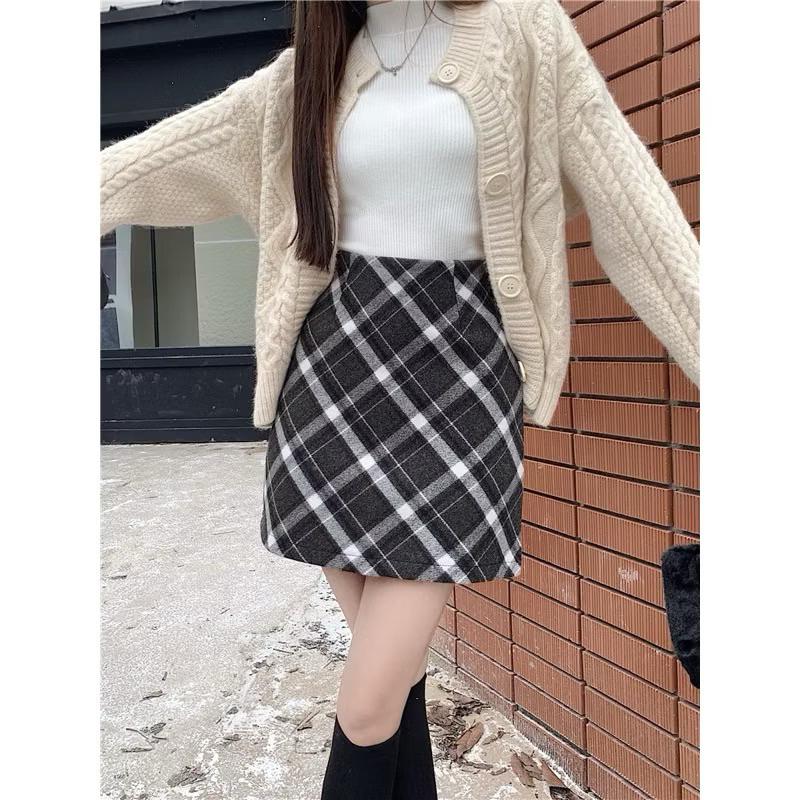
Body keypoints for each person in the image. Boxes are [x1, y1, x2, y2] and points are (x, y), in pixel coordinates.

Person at [99, 1, 700, 797]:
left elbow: (631, 201)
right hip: (331, 376)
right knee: (394, 679)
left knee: (366, 703)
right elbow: (143, 168)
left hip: (463, 376)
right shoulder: (305, 75)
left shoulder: (525, 30)